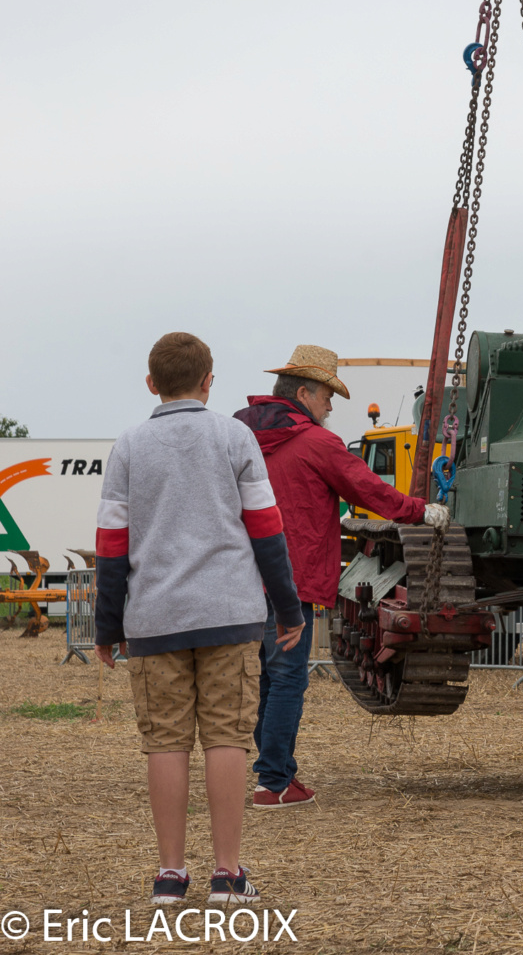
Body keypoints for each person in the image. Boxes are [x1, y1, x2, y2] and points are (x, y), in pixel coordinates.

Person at [94, 331, 305, 909]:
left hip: (154, 619)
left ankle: (168, 875)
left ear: (150, 383)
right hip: (230, 616)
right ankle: (227, 875)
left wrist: (107, 627)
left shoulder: (130, 446)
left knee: (163, 742)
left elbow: (112, 545)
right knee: (228, 738)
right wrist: (287, 608)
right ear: (209, 381)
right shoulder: (235, 436)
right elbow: (266, 528)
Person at [234, 344, 449, 809]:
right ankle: (273, 782)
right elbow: (368, 488)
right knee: (288, 678)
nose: (331, 406)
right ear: (305, 392)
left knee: (266, 680)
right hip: (294, 577)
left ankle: (273, 774)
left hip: (244, 576)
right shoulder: (317, 443)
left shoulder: (240, 436)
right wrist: (421, 511)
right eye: (328, 395)